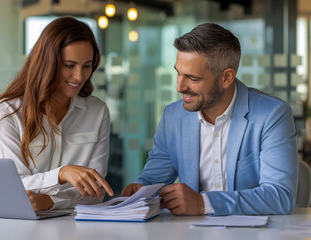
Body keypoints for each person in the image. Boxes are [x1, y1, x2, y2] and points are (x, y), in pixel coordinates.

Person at [121, 23, 298, 216]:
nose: (180, 87)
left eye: (193, 78)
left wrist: (203, 203)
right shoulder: (172, 117)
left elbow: (280, 196)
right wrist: (140, 190)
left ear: (226, 77)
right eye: (178, 73)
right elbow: (153, 181)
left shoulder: (272, 114)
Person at [0, 16, 113, 211]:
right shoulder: (9, 112)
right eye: (69, 65)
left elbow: (96, 192)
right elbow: (13, 185)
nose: (79, 76)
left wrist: (51, 202)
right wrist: (61, 174)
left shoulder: (98, 112)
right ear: (47, 62)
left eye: (86, 66)